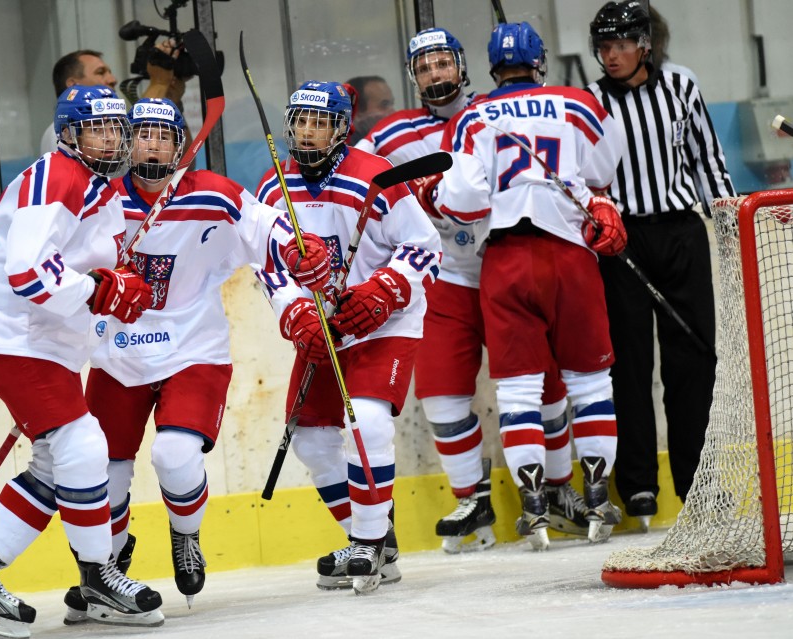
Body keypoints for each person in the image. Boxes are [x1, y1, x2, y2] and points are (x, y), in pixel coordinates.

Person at [57, 97, 330, 620]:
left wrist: (299, 249)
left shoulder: (212, 194)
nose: (153, 144)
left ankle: (186, 535)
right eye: (143, 134)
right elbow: (60, 264)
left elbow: (267, 227)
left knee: (174, 457)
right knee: (103, 471)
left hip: (192, 350)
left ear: (180, 144)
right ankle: (107, 568)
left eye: (165, 135)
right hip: (117, 354)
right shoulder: (101, 199)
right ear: (125, 139)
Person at [0, 85, 164, 637]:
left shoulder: (98, 187)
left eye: (117, 128)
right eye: (97, 128)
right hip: (7, 332)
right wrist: (98, 292)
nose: (110, 138)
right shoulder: (57, 177)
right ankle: (96, 576)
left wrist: (116, 283)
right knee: (82, 444)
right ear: (69, 133)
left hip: (39, 334)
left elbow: (93, 264)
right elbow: (28, 274)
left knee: (54, 460)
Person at [356, 28, 584, 551]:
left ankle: (558, 487)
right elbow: (356, 180)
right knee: (440, 391)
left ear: (462, 66)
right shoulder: (390, 135)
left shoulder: (500, 110)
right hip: (447, 277)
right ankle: (473, 498)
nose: (435, 74)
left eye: (442, 63)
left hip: (509, 262)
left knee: (542, 384)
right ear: (414, 77)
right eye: (424, 67)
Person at [419, 21, 627, 550]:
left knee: (517, 391)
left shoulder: (472, 116)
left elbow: (463, 201)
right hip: (570, 253)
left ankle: (534, 510)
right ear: (541, 61)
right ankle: (597, 499)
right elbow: (603, 171)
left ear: (489, 67)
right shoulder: (577, 102)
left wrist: (436, 197)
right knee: (588, 383)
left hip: (506, 258)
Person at [256, 80, 441, 592]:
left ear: (342, 126)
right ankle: (378, 539)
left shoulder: (373, 176)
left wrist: (384, 289)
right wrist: (296, 314)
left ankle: (366, 541)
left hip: (385, 323)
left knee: (370, 422)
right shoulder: (274, 187)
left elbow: (424, 246)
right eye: (300, 121)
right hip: (325, 326)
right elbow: (267, 265)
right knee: (313, 441)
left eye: (320, 122)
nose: (308, 132)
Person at [587, 1, 735, 528]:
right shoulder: (590, 100)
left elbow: (706, 158)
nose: (611, 55)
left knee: (692, 362)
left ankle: (699, 481)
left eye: (621, 44)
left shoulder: (681, 85)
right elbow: (586, 176)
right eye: (603, 46)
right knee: (627, 366)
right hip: (620, 242)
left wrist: (727, 222)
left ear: (645, 44)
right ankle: (638, 487)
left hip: (679, 234)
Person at [40, 41, 191, 155]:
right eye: (101, 72)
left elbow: (184, 166)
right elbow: (132, 157)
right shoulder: (62, 131)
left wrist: (173, 103)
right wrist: (158, 83)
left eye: (110, 72)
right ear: (73, 86)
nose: (113, 79)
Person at [345, 75, 396, 143]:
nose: (394, 112)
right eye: (384, 105)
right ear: (357, 111)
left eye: (391, 104)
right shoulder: (344, 150)